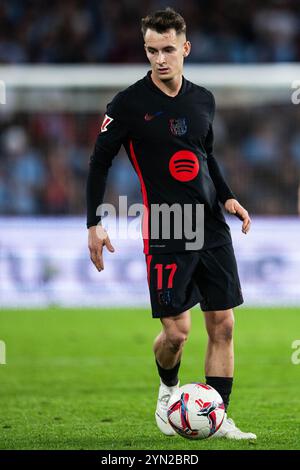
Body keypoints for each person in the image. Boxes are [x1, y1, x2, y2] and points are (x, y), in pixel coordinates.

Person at [86, 7, 256, 440]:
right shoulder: (127, 104)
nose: (160, 59)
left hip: (211, 224)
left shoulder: (203, 99)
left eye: (167, 49)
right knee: (177, 333)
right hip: (167, 225)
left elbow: (206, 156)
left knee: (223, 324)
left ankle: (216, 417)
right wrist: (94, 222)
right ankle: (168, 393)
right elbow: (99, 161)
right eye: (151, 50)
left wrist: (229, 195)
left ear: (185, 48)